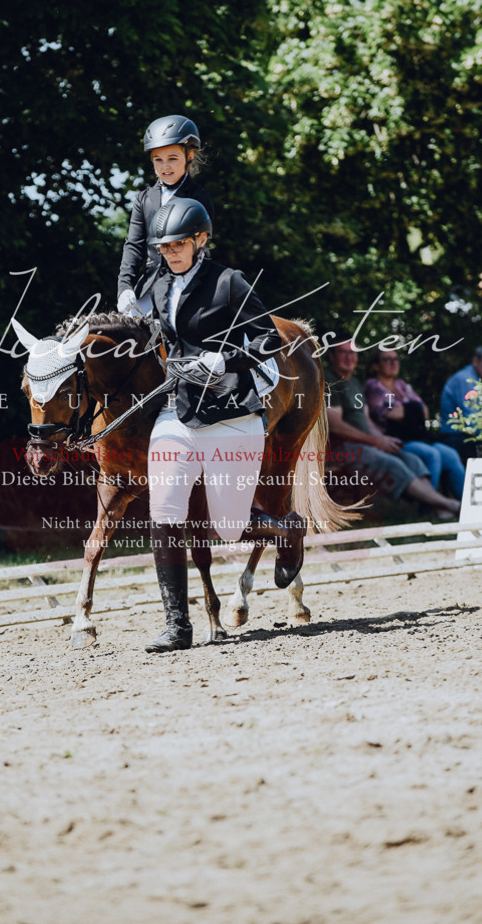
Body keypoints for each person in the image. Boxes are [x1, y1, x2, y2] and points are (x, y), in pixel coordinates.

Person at [144, 198, 303, 653]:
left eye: (178, 244)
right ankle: (178, 626)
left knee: (229, 528)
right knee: (165, 512)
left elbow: (268, 337)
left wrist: (225, 357)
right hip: (178, 411)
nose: (170, 253)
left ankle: (287, 528)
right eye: (164, 246)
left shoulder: (228, 282)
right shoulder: (158, 287)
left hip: (232, 413)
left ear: (201, 240)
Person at [324, 342, 461, 518]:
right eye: (343, 352)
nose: (349, 357)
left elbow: (367, 422)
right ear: (332, 356)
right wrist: (375, 441)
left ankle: (435, 505)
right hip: (343, 448)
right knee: (394, 464)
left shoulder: (354, 383)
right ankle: (448, 504)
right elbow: (336, 426)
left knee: (411, 459)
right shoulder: (329, 381)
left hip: (365, 443)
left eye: (353, 353)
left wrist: (383, 440)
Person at [117, 114, 214, 318]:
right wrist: (125, 286)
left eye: (172, 159)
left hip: (188, 285)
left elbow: (198, 247)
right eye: (158, 160)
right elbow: (134, 245)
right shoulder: (144, 199)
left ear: (189, 156)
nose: (164, 167)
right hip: (149, 288)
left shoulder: (198, 197)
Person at [364, 351, 465, 499]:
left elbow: (425, 412)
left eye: (396, 359)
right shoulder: (373, 386)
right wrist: (412, 407)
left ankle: (467, 502)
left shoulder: (401, 384)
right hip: (395, 441)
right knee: (432, 455)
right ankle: (431, 503)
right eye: (387, 359)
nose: (393, 363)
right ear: (376, 366)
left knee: (450, 454)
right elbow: (391, 413)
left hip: (418, 437)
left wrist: (408, 410)